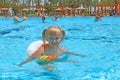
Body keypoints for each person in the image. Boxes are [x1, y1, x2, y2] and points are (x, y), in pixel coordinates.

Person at [18, 26, 86, 70]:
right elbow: (33, 57)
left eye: (56, 38)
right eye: (51, 38)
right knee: (50, 69)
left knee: (74, 61)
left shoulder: (59, 47)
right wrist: (23, 63)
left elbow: (68, 52)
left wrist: (79, 55)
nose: (54, 41)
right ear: (46, 38)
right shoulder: (43, 49)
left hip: (54, 58)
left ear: (61, 38)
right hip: (43, 61)